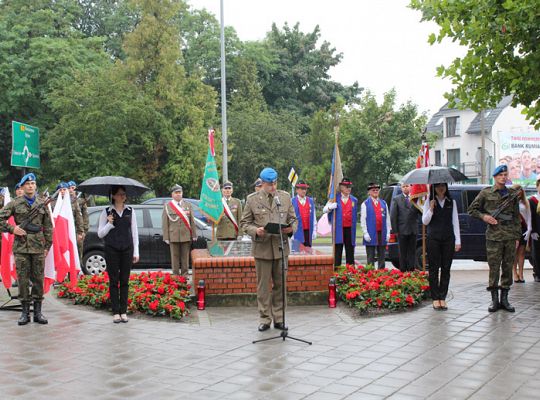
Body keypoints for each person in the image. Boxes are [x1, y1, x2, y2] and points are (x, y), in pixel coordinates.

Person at [240, 167, 297, 332]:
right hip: (262, 249)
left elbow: (293, 219)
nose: (273, 186)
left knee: (281, 285)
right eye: (269, 184)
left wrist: (290, 229)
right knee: (263, 287)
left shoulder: (285, 198)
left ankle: (279, 318)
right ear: (262, 183)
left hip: (280, 248)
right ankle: (265, 318)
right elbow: (244, 223)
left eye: (275, 183)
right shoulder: (252, 200)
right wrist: (255, 231)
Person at [0, 173, 53, 325]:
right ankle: (24, 313)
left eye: (33, 183)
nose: (31, 185)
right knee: (22, 280)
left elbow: (48, 226)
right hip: (21, 247)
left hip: (38, 247)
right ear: (22, 187)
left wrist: (47, 246)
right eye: (28, 183)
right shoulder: (15, 203)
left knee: (38, 280)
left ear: (36, 186)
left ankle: (37, 312)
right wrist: (12, 229)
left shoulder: (42, 203)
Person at [468, 165, 521, 313]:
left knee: (507, 266)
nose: (503, 177)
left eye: (505, 174)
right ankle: (494, 300)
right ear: (495, 177)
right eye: (500, 175)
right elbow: (472, 209)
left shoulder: (512, 193)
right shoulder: (486, 193)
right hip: (494, 237)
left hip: (510, 236)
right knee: (494, 268)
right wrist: (484, 217)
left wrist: (517, 237)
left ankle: (505, 299)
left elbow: (516, 216)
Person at [97, 185, 139, 323]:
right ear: (113, 196)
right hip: (111, 249)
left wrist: (136, 251)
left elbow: (134, 233)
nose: (123, 196)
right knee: (114, 280)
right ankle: (116, 311)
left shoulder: (130, 211)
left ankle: (123, 311)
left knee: (125, 280)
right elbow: (100, 233)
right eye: (120, 194)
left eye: (124, 194)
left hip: (127, 248)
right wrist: (109, 224)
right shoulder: (106, 212)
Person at [422, 183, 461, 310]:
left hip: (448, 238)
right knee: (433, 268)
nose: (441, 188)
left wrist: (458, 241)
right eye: (438, 186)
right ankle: (435, 298)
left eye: (443, 185)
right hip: (433, 238)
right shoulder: (429, 201)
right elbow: (425, 221)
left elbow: (455, 221)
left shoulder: (451, 202)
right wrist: (431, 209)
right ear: (434, 187)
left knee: (446, 268)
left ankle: (442, 298)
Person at [162, 184, 197, 276]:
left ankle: (185, 276)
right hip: (173, 235)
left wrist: (194, 234)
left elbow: (192, 221)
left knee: (185, 257)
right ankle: (176, 277)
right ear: (172, 194)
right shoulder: (168, 206)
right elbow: (165, 222)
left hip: (185, 235)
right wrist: (166, 236)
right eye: (176, 192)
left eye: (179, 192)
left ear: (182, 193)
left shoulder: (188, 205)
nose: (178, 194)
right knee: (174, 257)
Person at [323, 178, 358, 266]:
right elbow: (324, 210)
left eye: (350, 186)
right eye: (346, 186)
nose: (348, 188)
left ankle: (351, 271)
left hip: (350, 229)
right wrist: (330, 207)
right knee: (338, 250)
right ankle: (337, 270)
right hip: (338, 229)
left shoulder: (354, 200)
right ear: (341, 187)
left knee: (350, 250)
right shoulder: (334, 198)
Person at [390, 183, 421, 271]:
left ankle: (411, 268)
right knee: (402, 251)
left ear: (411, 187)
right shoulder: (397, 199)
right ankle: (403, 269)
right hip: (402, 230)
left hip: (413, 229)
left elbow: (421, 212)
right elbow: (393, 216)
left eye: (407, 186)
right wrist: (395, 230)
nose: (405, 188)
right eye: (403, 187)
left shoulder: (415, 198)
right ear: (401, 188)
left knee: (412, 251)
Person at [360, 183, 391, 269]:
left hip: (382, 232)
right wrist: (365, 232)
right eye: (373, 190)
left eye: (377, 190)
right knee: (370, 256)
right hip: (370, 233)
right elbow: (363, 220)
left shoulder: (384, 203)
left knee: (382, 255)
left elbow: (387, 219)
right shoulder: (365, 204)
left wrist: (388, 232)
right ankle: (370, 273)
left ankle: (381, 273)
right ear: (369, 192)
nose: (375, 191)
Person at [512, 185, 531, 283]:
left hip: (523, 228)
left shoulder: (525, 202)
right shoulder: (510, 203)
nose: (518, 192)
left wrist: (529, 229)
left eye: (520, 190)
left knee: (522, 253)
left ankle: (521, 273)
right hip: (514, 229)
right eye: (516, 190)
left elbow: (529, 217)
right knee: (514, 252)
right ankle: (514, 273)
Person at [68, 180, 89, 263]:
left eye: (73, 188)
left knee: (78, 251)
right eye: (69, 188)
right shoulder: (64, 201)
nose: (71, 190)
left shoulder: (81, 201)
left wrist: (84, 231)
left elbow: (85, 217)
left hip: (78, 231)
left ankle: (77, 270)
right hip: (68, 230)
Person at [291, 180, 316, 247]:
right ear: (297, 190)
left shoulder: (310, 201)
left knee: (308, 253)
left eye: (305, 189)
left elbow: (314, 217)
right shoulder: (292, 201)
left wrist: (314, 230)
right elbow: (289, 218)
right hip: (297, 231)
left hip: (308, 231)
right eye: (302, 189)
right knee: (297, 253)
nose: (304, 191)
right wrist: (291, 233)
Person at [529, 178, 540, 282]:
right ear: (537, 187)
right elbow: (530, 216)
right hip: (537, 230)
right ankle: (537, 273)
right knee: (536, 253)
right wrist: (533, 231)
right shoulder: (532, 200)